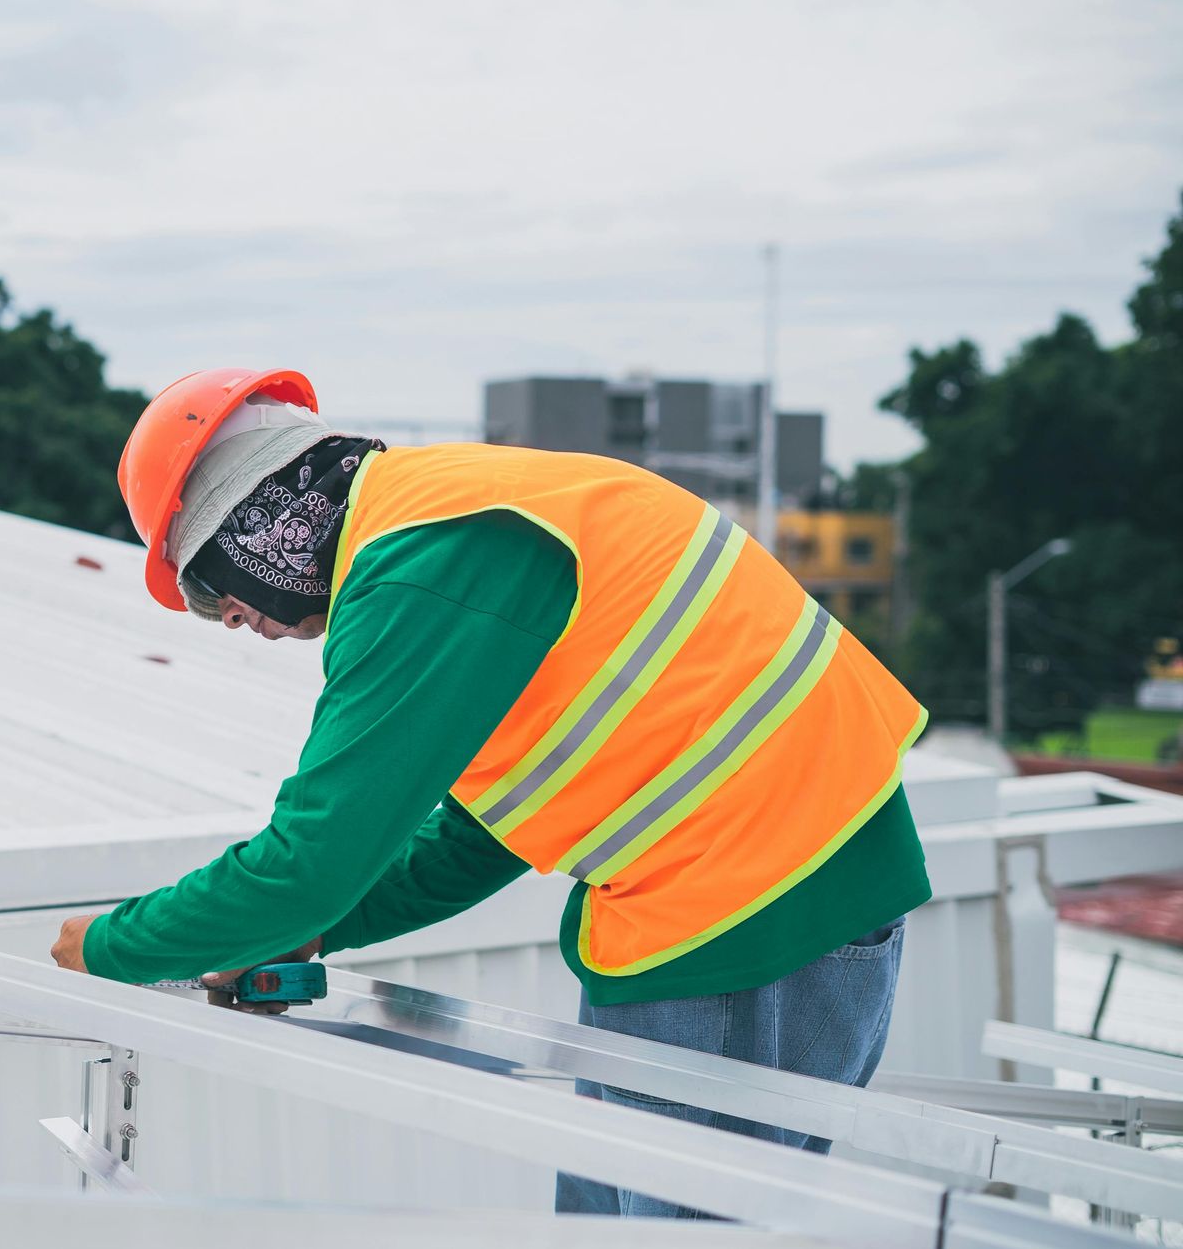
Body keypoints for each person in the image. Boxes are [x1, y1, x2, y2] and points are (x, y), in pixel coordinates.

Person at [49, 368, 930, 1219]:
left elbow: (307, 863)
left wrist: (109, 949)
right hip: (764, 891)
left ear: (251, 519)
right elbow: (476, 840)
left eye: (208, 586)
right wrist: (311, 931)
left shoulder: (420, 563)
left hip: (746, 903)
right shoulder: (449, 520)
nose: (230, 620)